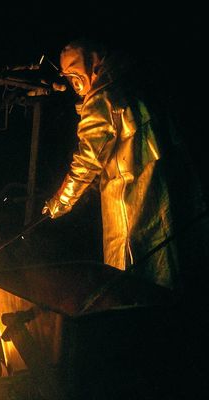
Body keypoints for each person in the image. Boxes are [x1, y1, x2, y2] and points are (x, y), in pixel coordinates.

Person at [41, 38, 207, 291]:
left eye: (74, 75)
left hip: (129, 198)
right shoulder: (134, 79)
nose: (73, 83)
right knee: (168, 260)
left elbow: (87, 161)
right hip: (163, 186)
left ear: (90, 66)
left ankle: (135, 323)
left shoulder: (101, 99)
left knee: (130, 270)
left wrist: (59, 203)